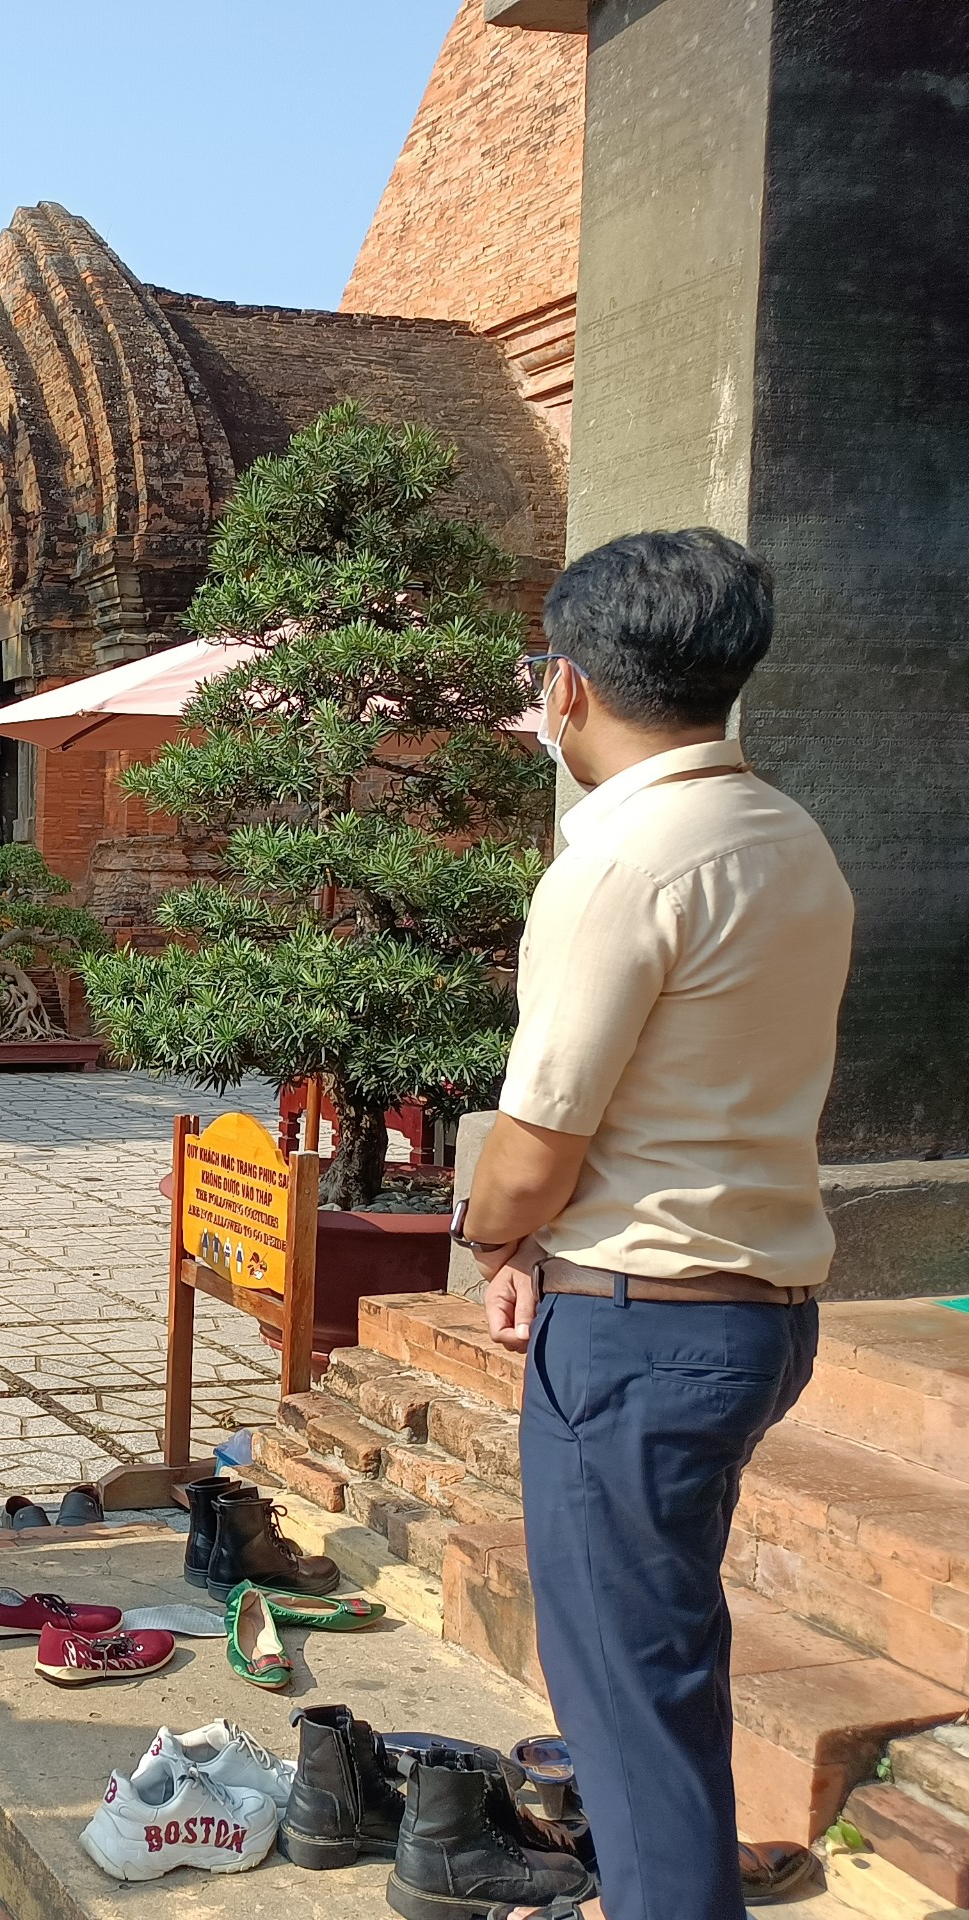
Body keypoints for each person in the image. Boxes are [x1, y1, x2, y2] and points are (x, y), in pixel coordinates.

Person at [460, 531, 852, 1920]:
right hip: (750, 1312)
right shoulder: (788, 838)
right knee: (662, 1657)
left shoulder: (624, 862)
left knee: (623, 1695)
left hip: (642, 1331)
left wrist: (492, 1238)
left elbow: (536, 1143)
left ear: (565, 687)